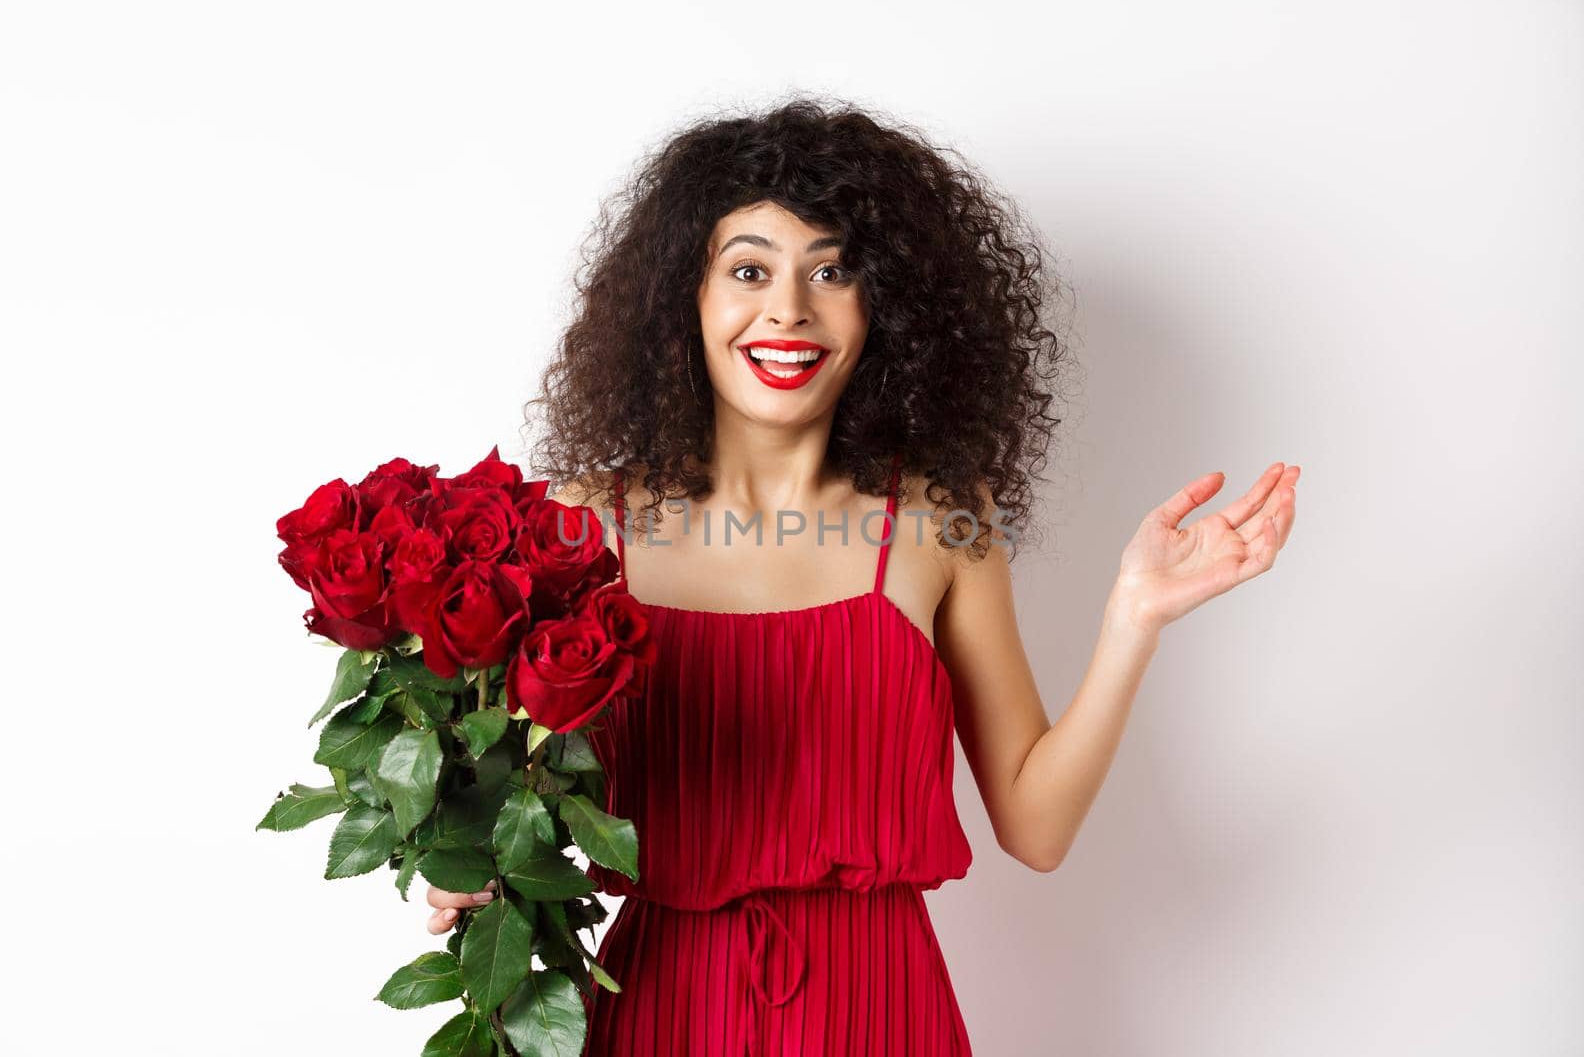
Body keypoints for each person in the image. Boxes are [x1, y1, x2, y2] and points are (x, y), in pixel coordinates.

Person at [422, 96, 1298, 1055]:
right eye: (748, 269)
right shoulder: (580, 526)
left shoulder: (941, 521)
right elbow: (497, 791)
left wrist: (1135, 617)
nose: (789, 308)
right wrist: (459, 855)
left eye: (831, 271)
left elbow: (1037, 828)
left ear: (886, 302)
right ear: (685, 298)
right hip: (660, 1011)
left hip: (883, 1015)